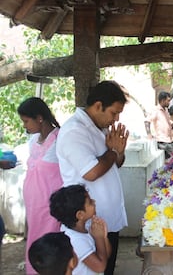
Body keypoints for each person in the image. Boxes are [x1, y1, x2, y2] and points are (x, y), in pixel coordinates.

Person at [56, 80, 129, 275]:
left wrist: (119, 153)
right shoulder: (75, 131)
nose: (115, 119)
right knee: (96, 269)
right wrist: (113, 151)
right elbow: (92, 172)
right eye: (114, 113)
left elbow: (114, 164)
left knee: (108, 265)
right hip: (87, 219)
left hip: (106, 215)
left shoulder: (101, 127)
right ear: (98, 106)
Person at [17, 97, 63, 275]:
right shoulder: (33, 141)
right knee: (35, 242)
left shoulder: (59, 140)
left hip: (50, 208)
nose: (24, 125)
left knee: (50, 244)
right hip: (34, 206)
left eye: (26, 121)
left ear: (39, 118)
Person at [50, 185, 111, 275]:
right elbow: (100, 267)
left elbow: (106, 254)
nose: (94, 202)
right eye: (90, 202)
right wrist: (99, 238)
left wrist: (103, 237)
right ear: (80, 215)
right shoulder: (76, 240)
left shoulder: (86, 227)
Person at [145, 91, 173, 160]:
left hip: (170, 141)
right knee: (163, 164)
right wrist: (149, 134)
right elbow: (147, 121)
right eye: (168, 101)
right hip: (161, 142)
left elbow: (170, 127)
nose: (169, 103)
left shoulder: (166, 111)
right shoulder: (155, 110)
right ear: (163, 100)